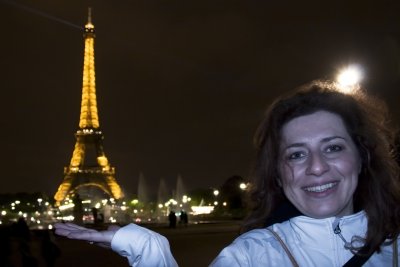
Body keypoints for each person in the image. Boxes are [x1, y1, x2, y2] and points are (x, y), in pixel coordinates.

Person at [55, 80, 400, 266]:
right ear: (279, 174)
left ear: (363, 156)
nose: (316, 166)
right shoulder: (250, 256)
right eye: (296, 154)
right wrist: (152, 254)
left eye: (333, 147)